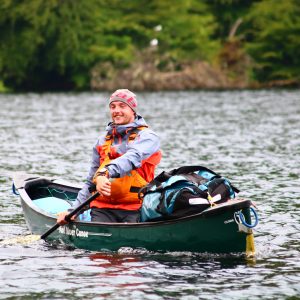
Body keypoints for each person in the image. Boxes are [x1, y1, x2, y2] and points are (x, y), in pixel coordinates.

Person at [57, 89, 161, 224]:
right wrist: (73, 211)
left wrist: (104, 172)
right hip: (102, 208)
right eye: (113, 107)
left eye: (122, 106)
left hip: (135, 208)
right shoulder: (102, 141)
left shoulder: (148, 137)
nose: (116, 110)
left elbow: (131, 158)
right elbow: (90, 183)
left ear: (133, 110)